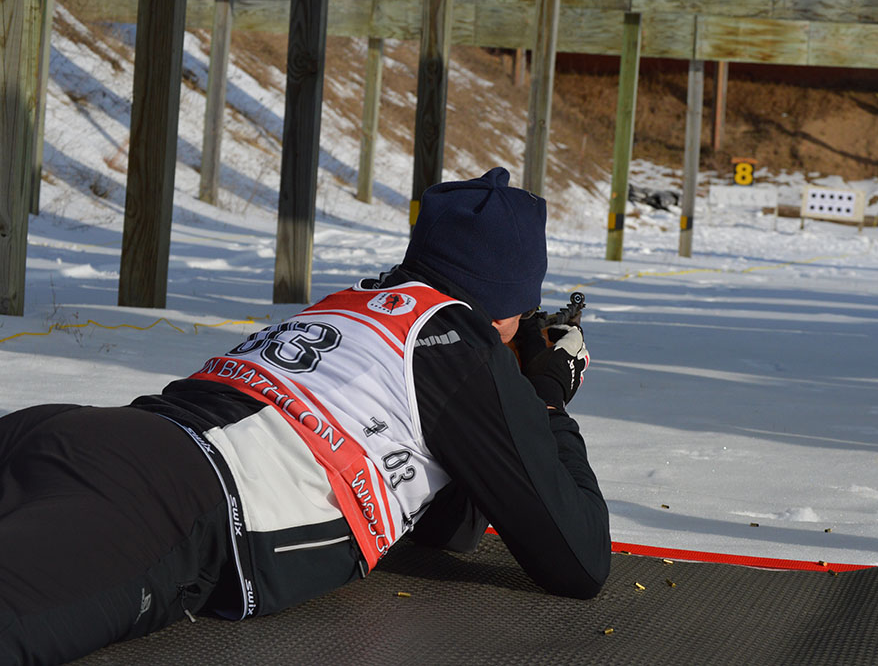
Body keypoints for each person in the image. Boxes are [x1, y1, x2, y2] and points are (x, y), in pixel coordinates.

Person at [0, 167, 610, 664]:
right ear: (505, 309)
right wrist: (546, 395)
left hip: (73, 434)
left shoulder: (355, 304)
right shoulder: (464, 348)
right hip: (173, 494)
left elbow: (441, 527)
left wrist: (519, 392)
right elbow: (578, 559)